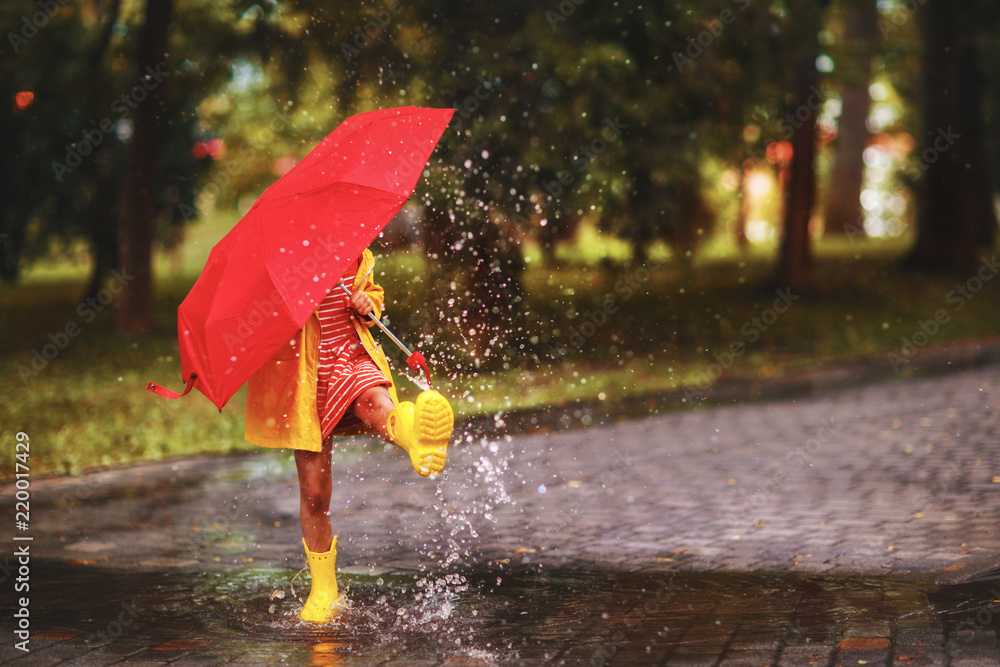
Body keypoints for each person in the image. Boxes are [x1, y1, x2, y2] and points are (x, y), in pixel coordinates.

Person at [244, 247, 453, 624]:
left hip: (349, 355)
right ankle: (324, 588)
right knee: (315, 491)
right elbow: (256, 320)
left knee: (375, 399)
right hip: (303, 379)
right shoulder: (274, 262)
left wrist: (366, 301)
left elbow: (372, 295)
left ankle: (415, 436)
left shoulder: (351, 248)